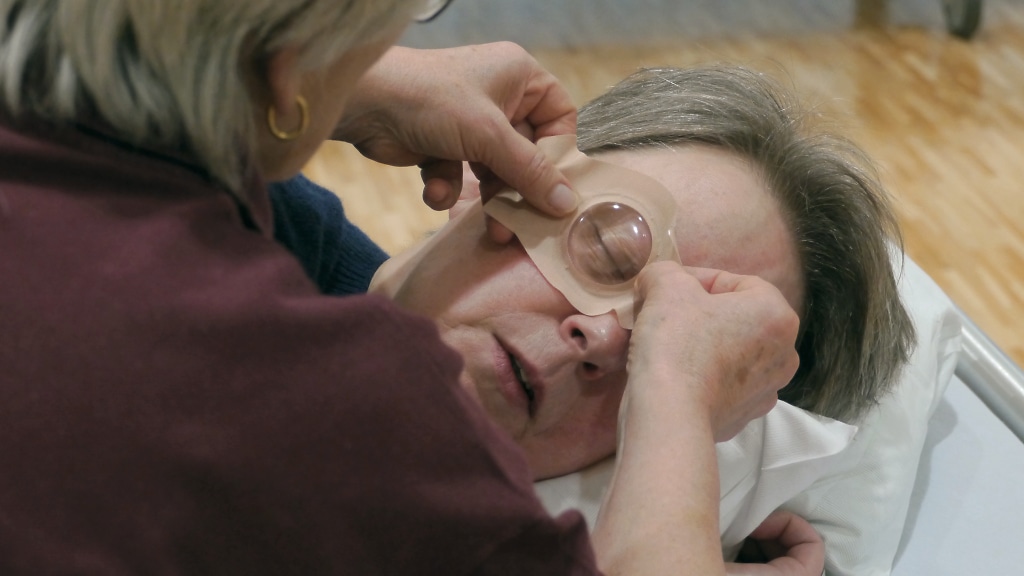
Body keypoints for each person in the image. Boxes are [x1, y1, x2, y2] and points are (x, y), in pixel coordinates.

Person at [0, 2, 808, 575]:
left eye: (679, 339)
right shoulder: (369, 419)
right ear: (487, 177)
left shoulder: (116, 168)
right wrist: (675, 405)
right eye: (605, 244)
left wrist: (322, 80)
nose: (603, 336)